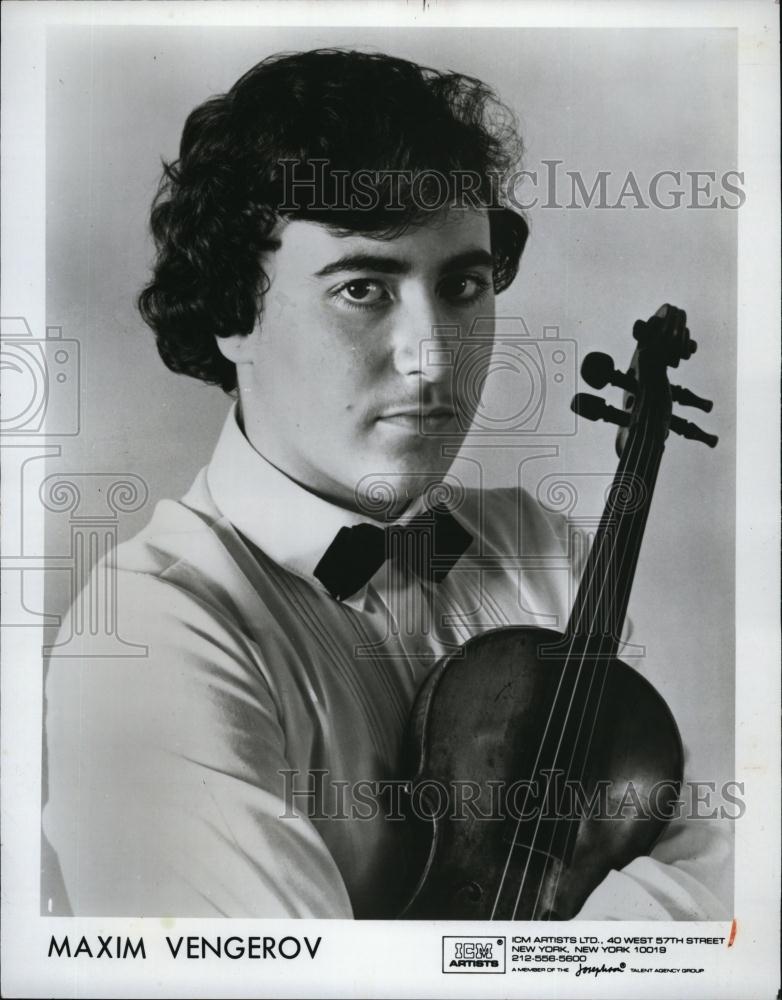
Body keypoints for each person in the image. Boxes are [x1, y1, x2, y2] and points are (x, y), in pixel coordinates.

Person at [43, 48, 730, 919]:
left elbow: (725, 881)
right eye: (363, 287)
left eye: (463, 286)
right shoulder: (152, 633)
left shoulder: (541, 552)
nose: (435, 356)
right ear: (230, 315)